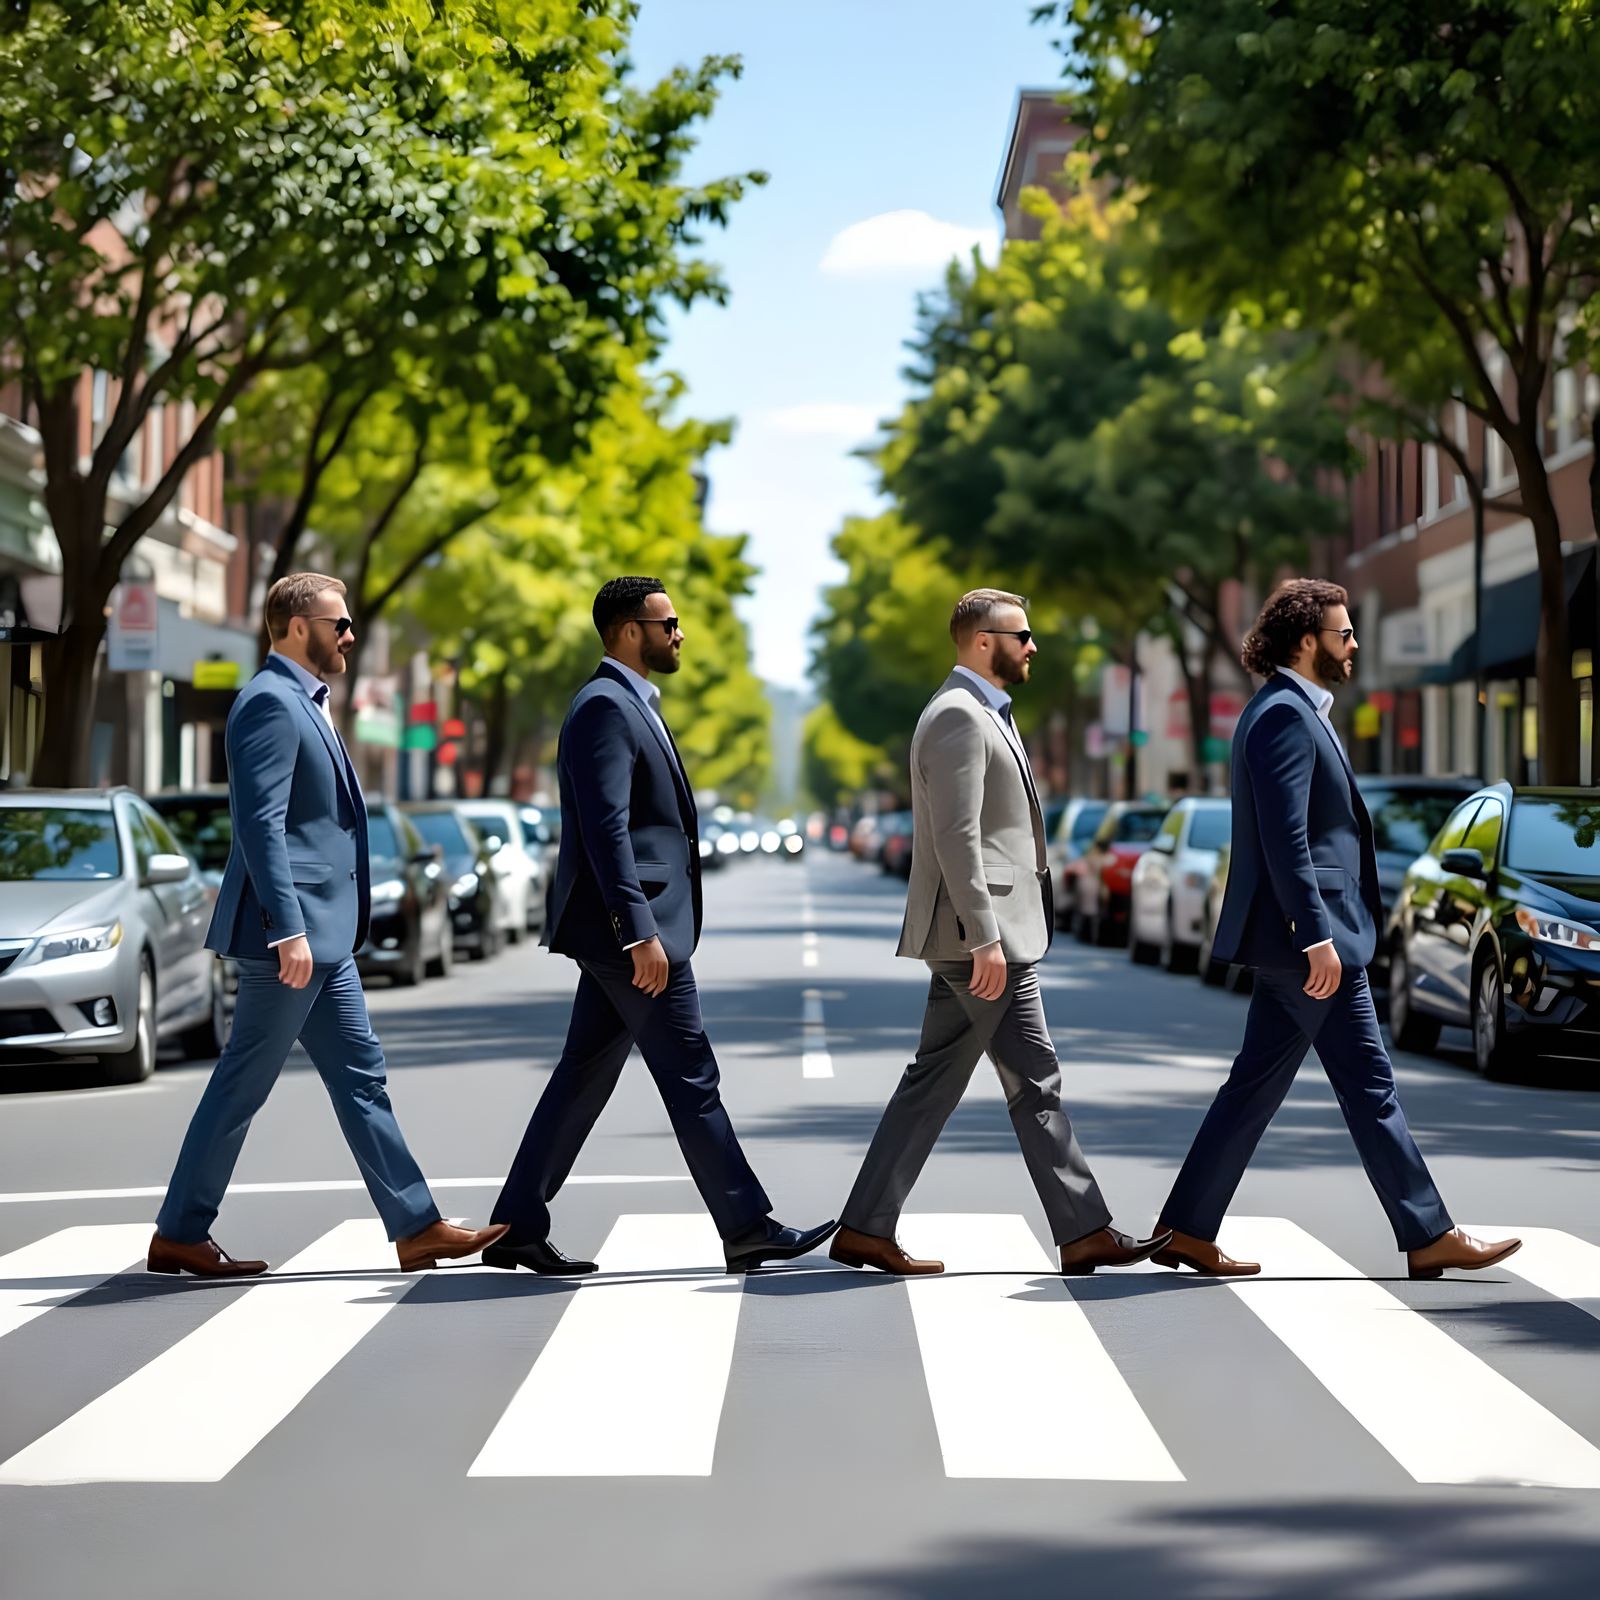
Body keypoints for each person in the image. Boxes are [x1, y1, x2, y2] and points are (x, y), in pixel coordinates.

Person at [1153, 579, 1520, 1279]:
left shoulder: (1293, 711)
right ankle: (1427, 1232)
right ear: (1305, 641)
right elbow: (1285, 837)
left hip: (1302, 941)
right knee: (1370, 1084)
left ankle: (1185, 1229)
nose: (1353, 645)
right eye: (1343, 634)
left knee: (1254, 1085)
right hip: (1310, 945)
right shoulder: (1285, 716)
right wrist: (1314, 933)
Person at [148, 574, 506, 1277]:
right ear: (292, 626)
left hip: (324, 937)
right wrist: (287, 929)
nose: (348, 635)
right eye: (336, 624)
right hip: (293, 939)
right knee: (243, 1083)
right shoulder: (269, 703)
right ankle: (180, 1231)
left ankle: (416, 1225)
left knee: (361, 1077)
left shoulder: (307, 702)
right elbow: (260, 825)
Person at [486, 577, 836, 1275]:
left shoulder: (627, 703)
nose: (678, 633)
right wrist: (635, 928)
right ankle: (746, 1223)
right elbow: (606, 830)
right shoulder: (603, 709)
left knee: (582, 1075)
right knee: (690, 1072)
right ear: (625, 631)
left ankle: (516, 1224)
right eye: (666, 622)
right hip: (635, 935)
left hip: (635, 928)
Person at [830, 589, 1170, 1276]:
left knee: (936, 1081)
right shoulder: (959, 714)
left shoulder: (983, 711)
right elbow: (956, 836)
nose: (1033, 646)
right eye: (1022, 635)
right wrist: (985, 936)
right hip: (981, 939)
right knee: (1034, 1078)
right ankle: (1085, 1231)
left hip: (982, 933)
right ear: (983, 642)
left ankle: (865, 1227)